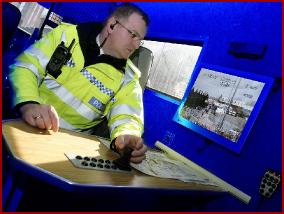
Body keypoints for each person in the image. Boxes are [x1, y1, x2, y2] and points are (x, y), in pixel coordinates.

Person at [8, 3, 149, 163]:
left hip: (66, 153)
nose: (137, 45)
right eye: (133, 35)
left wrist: (126, 137)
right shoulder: (65, 35)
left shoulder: (128, 79)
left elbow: (128, 116)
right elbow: (26, 66)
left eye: (141, 40)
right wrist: (29, 103)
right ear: (112, 25)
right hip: (26, 127)